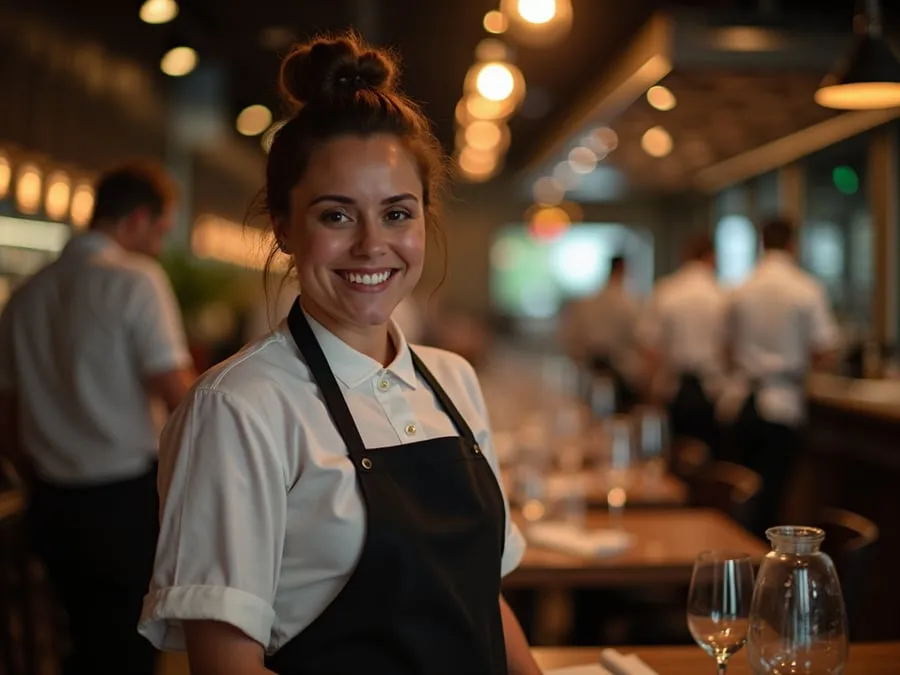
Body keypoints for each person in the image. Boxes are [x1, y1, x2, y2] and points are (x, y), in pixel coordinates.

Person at [138, 33, 541, 675]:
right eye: (336, 216)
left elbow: (481, 600)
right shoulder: (237, 408)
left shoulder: (454, 381)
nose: (372, 245)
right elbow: (225, 666)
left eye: (397, 214)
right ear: (284, 227)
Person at [0, 161, 195, 675]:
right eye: (159, 231)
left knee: (77, 640)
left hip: (51, 503)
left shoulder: (25, 295)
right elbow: (178, 392)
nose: (157, 246)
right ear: (135, 219)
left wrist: (37, 473)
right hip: (123, 500)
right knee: (129, 648)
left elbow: (6, 413)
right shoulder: (136, 280)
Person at [720, 216, 840, 532]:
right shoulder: (806, 287)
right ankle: (768, 567)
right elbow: (825, 350)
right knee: (775, 495)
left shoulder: (740, 289)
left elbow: (726, 350)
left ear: (762, 243)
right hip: (783, 402)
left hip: (742, 401)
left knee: (743, 492)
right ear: (792, 244)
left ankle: (745, 561)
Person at [637, 233, 728, 457]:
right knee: (710, 455)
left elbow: (650, 347)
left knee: (674, 454)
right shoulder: (723, 294)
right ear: (712, 257)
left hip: (673, 387)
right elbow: (730, 348)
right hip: (714, 390)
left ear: (686, 255)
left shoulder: (666, 290)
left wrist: (649, 392)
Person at [558, 254, 642, 412]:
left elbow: (569, 337)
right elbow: (640, 339)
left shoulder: (588, 301)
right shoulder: (629, 302)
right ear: (623, 269)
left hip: (590, 371)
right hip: (620, 373)